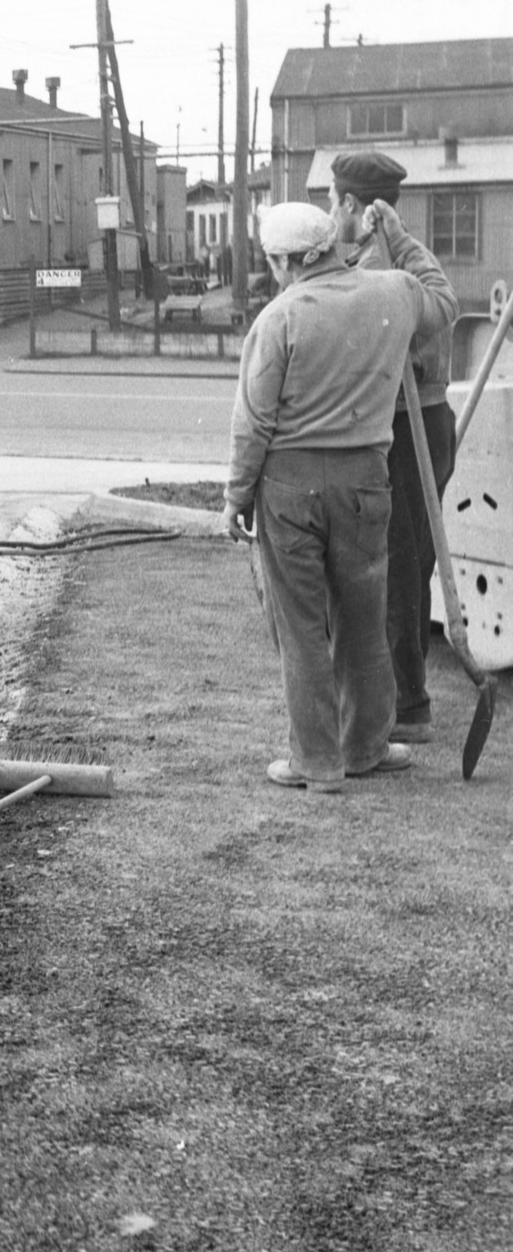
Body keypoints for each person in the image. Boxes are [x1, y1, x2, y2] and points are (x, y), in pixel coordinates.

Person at [218, 201, 441, 792]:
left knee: (302, 628)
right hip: (366, 479)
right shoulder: (395, 290)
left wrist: (236, 496)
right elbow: (441, 300)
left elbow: (253, 423)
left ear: (288, 261)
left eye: (273, 262)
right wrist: (401, 238)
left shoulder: (279, 319)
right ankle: (366, 747)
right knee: (364, 621)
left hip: (289, 487)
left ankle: (317, 762)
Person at [328, 149, 460, 737]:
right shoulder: (404, 255)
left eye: (333, 203)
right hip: (423, 426)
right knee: (410, 563)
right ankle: (404, 693)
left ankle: (409, 706)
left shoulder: (385, 266)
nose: (330, 215)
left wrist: (390, 250)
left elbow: (434, 308)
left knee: (401, 568)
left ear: (353, 205)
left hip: (410, 428)